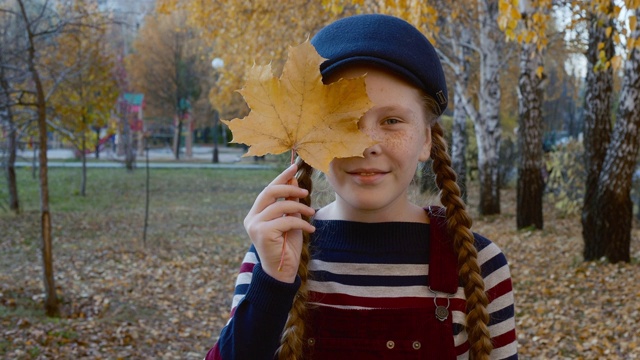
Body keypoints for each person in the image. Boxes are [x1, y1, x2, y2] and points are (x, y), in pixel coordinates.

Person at [205, 14, 517, 360]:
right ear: (310, 138)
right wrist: (274, 283)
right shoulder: (274, 253)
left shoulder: (477, 264)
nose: (366, 145)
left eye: (392, 121)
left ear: (426, 139)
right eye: (347, 122)